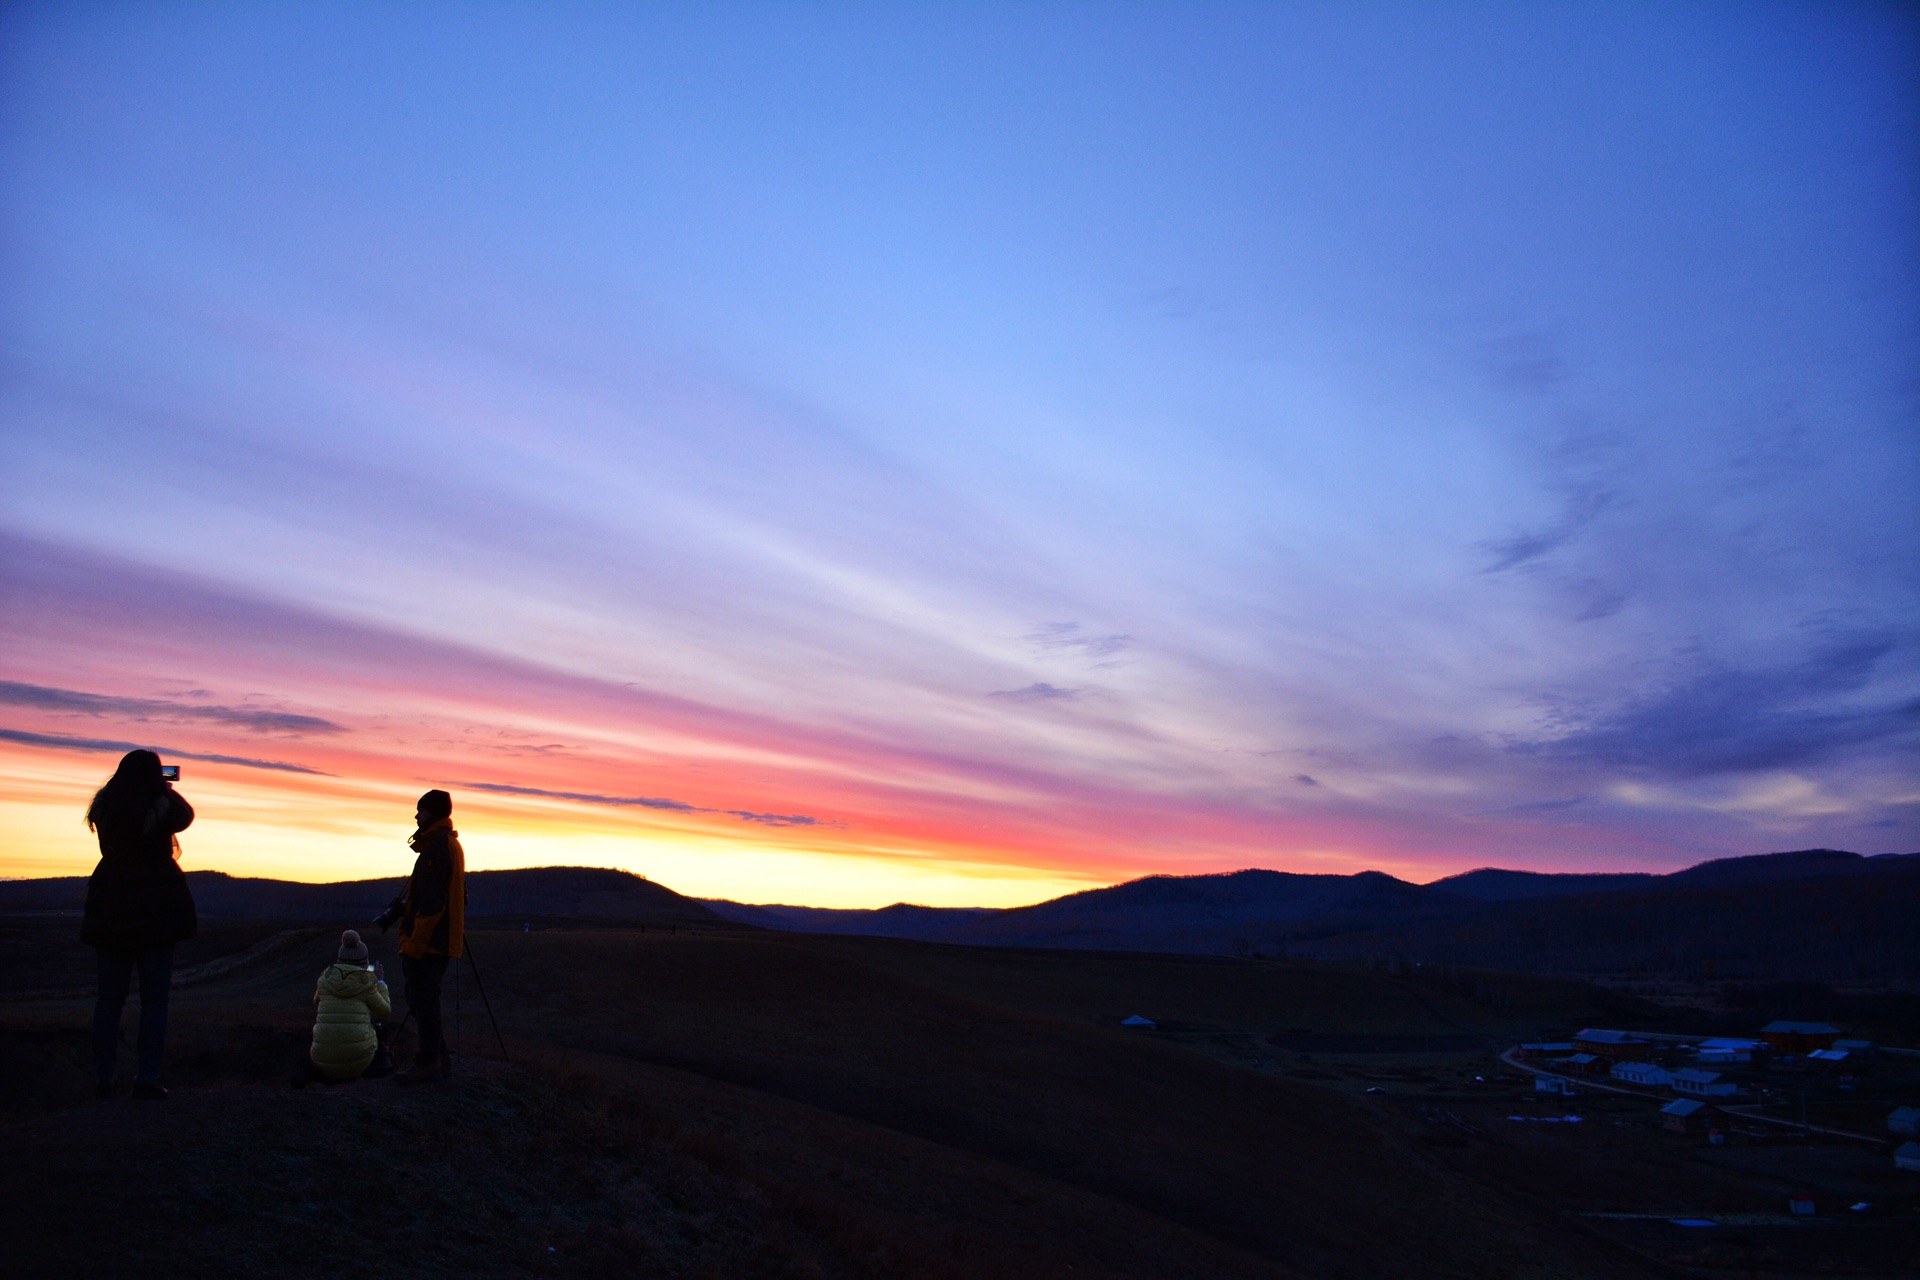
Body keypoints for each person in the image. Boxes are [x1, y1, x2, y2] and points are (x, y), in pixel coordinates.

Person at [83, 749, 196, 1100]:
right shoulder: (161, 806)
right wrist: (164, 788)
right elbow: (186, 815)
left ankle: (104, 1079)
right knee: (155, 1000)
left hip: (111, 905)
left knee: (109, 1000)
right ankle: (146, 1077)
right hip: (155, 908)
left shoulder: (105, 807)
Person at [382, 789, 465, 1084]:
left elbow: (432, 903)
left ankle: (428, 1062)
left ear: (431, 813)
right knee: (420, 999)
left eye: (420, 811)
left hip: (430, 942)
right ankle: (438, 1057)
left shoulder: (437, 847)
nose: (416, 816)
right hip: (438, 940)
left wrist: (416, 943)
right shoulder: (448, 843)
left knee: (424, 1000)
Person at [306, 930, 392, 1082]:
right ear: (364, 962)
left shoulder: (325, 978)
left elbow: (316, 1003)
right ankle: (378, 1072)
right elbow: (385, 1011)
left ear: (340, 959)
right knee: (374, 1024)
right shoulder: (366, 983)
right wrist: (379, 983)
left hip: (322, 1059)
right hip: (358, 1062)